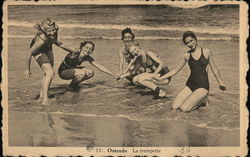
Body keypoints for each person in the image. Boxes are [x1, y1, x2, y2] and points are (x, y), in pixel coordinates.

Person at [155, 31, 226, 112]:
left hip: (202, 86)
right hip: (190, 84)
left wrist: (220, 82)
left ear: (195, 39)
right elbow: (175, 70)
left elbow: (214, 68)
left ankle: (202, 100)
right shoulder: (186, 55)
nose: (190, 44)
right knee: (174, 107)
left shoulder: (207, 52)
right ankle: (199, 99)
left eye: (191, 41)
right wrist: (160, 78)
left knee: (183, 109)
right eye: (187, 43)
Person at [24, 18, 60, 105]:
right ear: (44, 32)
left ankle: (42, 95)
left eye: (53, 30)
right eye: (49, 32)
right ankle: (45, 100)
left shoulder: (55, 29)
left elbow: (59, 43)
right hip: (38, 50)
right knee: (50, 73)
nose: (52, 33)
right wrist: (27, 69)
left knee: (48, 73)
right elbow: (29, 53)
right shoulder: (40, 40)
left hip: (47, 47)